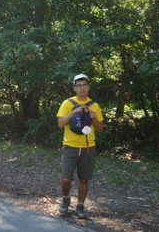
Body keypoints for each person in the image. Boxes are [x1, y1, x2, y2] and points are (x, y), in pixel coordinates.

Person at [56, 73, 104, 219]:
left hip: (88, 147)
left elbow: (100, 128)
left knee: (83, 179)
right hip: (70, 146)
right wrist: (74, 112)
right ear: (74, 88)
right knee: (66, 178)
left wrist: (94, 117)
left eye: (85, 85)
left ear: (89, 87)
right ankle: (65, 199)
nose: (82, 88)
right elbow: (60, 124)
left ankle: (80, 205)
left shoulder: (94, 105)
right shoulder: (67, 103)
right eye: (79, 85)